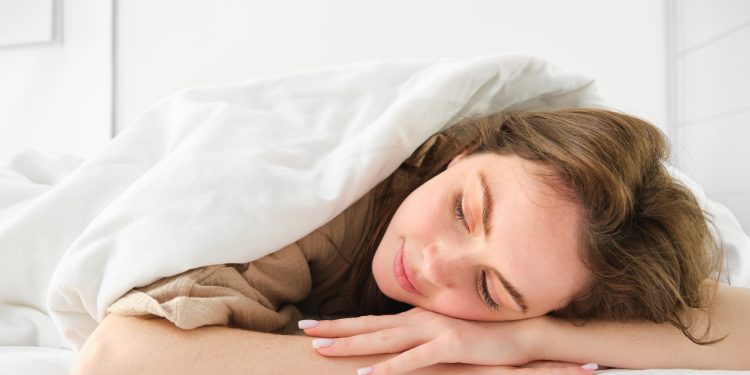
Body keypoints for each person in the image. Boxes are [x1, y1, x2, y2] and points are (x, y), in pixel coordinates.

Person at [70, 108, 750, 374]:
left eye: (489, 287)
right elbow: (118, 353)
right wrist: (439, 364)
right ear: (469, 149)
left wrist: (532, 339)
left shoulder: (563, 266)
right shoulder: (329, 203)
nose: (432, 265)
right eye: (463, 210)